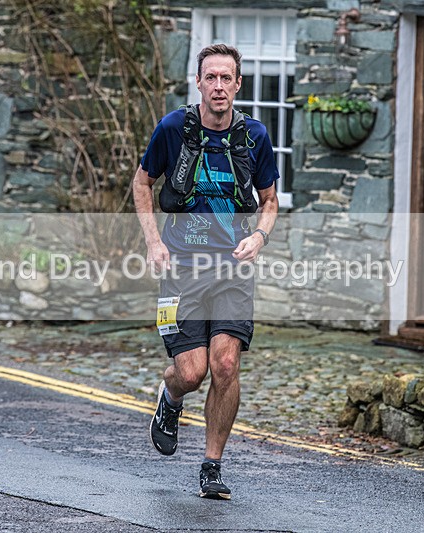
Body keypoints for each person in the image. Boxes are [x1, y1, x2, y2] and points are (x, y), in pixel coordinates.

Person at [133, 44, 279, 500]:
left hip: (232, 270)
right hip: (181, 270)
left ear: (238, 85)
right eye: (210, 77)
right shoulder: (173, 128)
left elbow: (270, 200)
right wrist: (154, 242)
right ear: (198, 82)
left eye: (226, 78)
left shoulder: (254, 136)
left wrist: (259, 237)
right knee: (191, 372)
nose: (218, 86)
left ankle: (212, 465)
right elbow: (142, 183)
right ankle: (171, 398)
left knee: (226, 364)